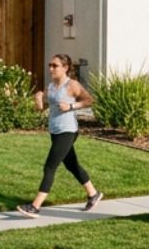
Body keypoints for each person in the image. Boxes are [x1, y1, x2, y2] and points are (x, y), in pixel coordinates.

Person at [16, 54, 103, 217]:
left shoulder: (72, 85)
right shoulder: (50, 86)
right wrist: (39, 101)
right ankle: (93, 194)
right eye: (50, 65)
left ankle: (35, 206)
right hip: (55, 131)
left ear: (65, 68)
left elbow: (90, 100)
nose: (51, 69)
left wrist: (71, 106)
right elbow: (45, 109)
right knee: (71, 165)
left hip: (68, 131)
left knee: (49, 167)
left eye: (55, 66)